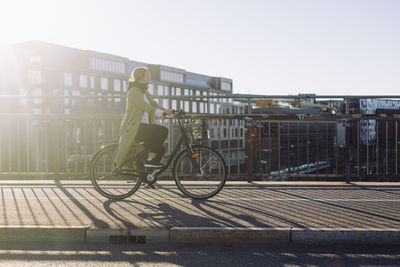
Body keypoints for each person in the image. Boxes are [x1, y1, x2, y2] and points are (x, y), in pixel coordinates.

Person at [115, 66, 173, 169]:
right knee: (162, 130)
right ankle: (149, 161)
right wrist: (162, 113)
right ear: (141, 77)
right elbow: (146, 107)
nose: (150, 76)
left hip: (144, 127)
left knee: (161, 149)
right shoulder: (134, 91)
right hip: (135, 128)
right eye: (148, 75)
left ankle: (148, 175)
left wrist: (168, 111)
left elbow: (153, 104)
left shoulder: (144, 91)